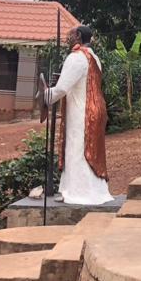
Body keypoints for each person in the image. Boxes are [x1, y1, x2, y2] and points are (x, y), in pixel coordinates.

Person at [44, 25, 112, 205]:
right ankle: (92, 190)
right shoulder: (95, 58)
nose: (68, 38)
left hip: (82, 112)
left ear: (79, 36)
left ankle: (79, 192)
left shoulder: (76, 58)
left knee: (78, 149)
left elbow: (61, 88)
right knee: (92, 150)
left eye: (71, 35)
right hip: (96, 109)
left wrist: (45, 96)